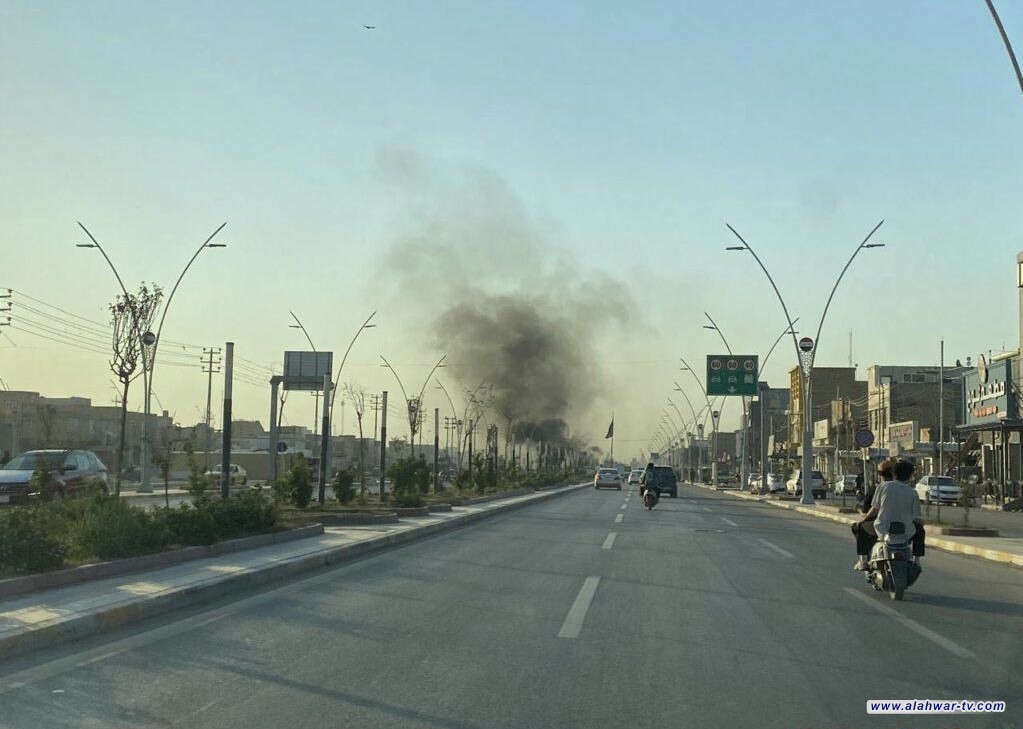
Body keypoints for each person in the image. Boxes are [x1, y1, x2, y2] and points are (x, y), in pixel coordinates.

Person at [853, 459, 923, 571]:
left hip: (882, 528)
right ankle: (917, 561)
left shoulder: (883, 486)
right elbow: (917, 517)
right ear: (910, 476)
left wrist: (864, 519)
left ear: (894, 474)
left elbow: (874, 509)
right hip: (905, 531)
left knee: (860, 527)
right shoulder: (913, 493)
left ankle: (863, 561)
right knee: (920, 530)